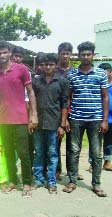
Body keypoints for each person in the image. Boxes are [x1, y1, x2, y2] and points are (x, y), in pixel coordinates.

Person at [0, 41, 38, 197]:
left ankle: (27, 182)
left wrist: (34, 115)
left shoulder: (21, 69)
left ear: (10, 53)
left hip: (20, 118)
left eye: (5, 52)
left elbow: (31, 92)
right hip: (3, 119)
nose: (2, 55)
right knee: (8, 153)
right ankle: (13, 180)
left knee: (24, 153)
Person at [63, 41, 108, 197]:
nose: (86, 57)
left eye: (89, 54)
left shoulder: (101, 74)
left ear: (93, 55)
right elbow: (68, 97)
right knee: (74, 151)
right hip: (76, 118)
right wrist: (66, 118)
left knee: (96, 153)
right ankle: (72, 181)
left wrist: (104, 120)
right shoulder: (72, 74)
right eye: (83, 54)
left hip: (95, 119)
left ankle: (96, 184)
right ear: (79, 55)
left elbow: (105, 97)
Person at [31, 53, 68, 194]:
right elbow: (32, 102)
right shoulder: (36, 81)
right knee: (39, 152)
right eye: (46, 64)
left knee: (52, 154)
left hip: (54, 124)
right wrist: (31, 119)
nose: (48, 67)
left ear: (56, 65)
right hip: (38, 123)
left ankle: (51, 182)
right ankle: (39, 179)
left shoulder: (62, 81)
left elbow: (64, 104)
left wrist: (62, 125)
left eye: (51, 64)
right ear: (42, 66)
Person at [55, 42, 74, 181]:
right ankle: (57, 170)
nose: (65, 56)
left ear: (71, 55)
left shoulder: (75, 72)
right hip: (58, 112)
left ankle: (72, 171)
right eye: (63, 53)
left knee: (72, 146)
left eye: (68, 53)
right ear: (59, 54)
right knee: (56, 143)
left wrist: (68, 116)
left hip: (74, 113)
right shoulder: (53, 71)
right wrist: (63, 118)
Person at [99, 63, 112, 171]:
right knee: (96, 141)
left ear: (110, 72)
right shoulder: (98, 85)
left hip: (111, 119)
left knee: (109, 141)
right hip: (98, 117)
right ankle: (93, 163)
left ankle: (107, 161)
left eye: (104, 72)